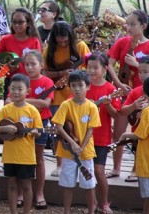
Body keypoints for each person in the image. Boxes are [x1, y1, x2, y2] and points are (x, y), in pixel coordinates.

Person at [43, 21, 90, 176]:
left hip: (76, 95)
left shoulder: (80, 46)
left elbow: (88, 68)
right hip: (56, 96)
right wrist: (61, 74)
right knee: (59, 131)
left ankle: (79, 161)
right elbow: (43, 72)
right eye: (59, 41)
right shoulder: (49, 49)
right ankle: (59, 164)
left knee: (77, 129)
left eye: (65, 40)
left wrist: (75, 75)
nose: (62, 43)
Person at [107, 10, 149, 179]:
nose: (128, 27)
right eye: (127, 23)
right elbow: (109, 64)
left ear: (143, 26)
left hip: (143, 94)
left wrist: (138, 65)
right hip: (124, 92)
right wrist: (118, 84)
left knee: (140, 132)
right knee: (118, 132)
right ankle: (116, 168)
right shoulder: (122, 42)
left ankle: (134, 170)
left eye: (133, 24)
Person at [0, 74, 42, 214]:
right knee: (12, 185)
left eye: (20, 89)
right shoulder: (5, 109)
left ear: (28, 91)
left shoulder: (32, 110)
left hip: (26, 155)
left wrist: (36, 133)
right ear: (8, 89)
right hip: (10, 155)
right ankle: (13, 211)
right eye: (13, 88)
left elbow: (39, 131)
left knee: (26, 185)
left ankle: (26, 211)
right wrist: (5, 129)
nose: (16, 92)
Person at [51, 70, 101, 214]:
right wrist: (72, 143)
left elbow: (91, 130)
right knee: (68, 184)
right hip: (68, 152)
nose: (77, 89)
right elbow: (59, 127)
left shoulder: (91, 107)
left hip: (86, 152)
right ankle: (66, 211)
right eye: (73, 85)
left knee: (89, 183)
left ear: (88, 87)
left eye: (80, 85)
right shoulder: (66, 105)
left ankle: (91, 210)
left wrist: (82, 147)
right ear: (70, 87)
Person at [12, 50, 54, 210]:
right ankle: (22, 193)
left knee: (39, 158)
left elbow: (45, 104)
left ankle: (39, 193)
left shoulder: (47, 82)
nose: (29, 67)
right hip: (20, 122)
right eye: (26, 64)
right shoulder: (20, 81)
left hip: (40, 122)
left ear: (41, 65)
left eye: (33, 64)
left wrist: (21, 99)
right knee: (22, 158)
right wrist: (34, 101)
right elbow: (10, 99)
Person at [85, 52, 121, 214]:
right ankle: (91, 203)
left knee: (99, 171)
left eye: (95, 68)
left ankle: (104, 203)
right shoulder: (83, 85)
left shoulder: (110, 89)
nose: (91, 71)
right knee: (88, 171)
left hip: (101, 137)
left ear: (105, 69)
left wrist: (106, 104)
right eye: (89, 67)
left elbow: (115, 114)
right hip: (83, 136)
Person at [0, 7, 41, 99]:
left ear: (28, 23)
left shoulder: (34, 41)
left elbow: (38, 64)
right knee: (6, 108)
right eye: (14, 22)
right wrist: (5, 67)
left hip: (28, 81)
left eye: (20, 22)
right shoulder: (6, 39)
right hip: (8, 81)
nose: (16, 25)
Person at [119, 77, 149, 214]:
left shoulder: (147, 112)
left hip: (147, 162)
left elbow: (140, 134)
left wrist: (125, 136)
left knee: (148, 199)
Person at [119, 56, 149, 183]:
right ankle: (135, 169)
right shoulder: (136, 91)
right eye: (140, 72)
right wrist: (134, 106)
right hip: (138, 131)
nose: (141, 75)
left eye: (145, 72)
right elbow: (123, 110)